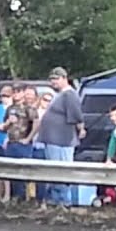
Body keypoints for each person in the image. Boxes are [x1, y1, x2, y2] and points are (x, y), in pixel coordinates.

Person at [36, 67, 85, 207]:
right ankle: (55, 200)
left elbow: (77, 116)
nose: (53, 82)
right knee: (53, 171)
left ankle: (64, 202)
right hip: (53, 140)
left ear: (64, 78)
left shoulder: (70, 95)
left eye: (56, 79)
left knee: (61, 171)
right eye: (51, 79)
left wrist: (81, 130)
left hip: (62, 140)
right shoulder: (60, 95)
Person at [4, 88, 39, 199]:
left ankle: (27, 197)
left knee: (25, 171)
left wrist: (28, 139)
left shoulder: (29, 109)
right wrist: (8, 123)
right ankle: (16, 196)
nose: (15, 95)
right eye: (14, 92)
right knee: (11, 172)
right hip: (11, 143)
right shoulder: (10, 109)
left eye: (18, 92)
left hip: (23, 144)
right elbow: (4, 126)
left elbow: (36, 124)